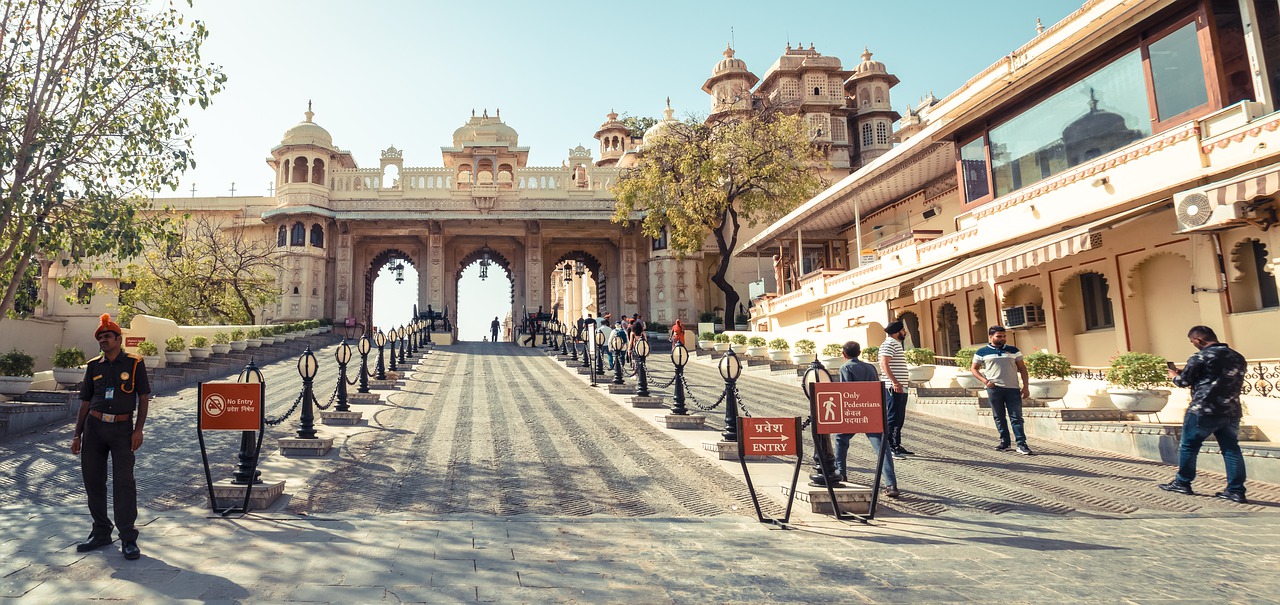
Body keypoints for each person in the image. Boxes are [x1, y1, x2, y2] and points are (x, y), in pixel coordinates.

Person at [72, 314, 151, 560]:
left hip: (122, 429)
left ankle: (128, 537)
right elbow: (85, 401)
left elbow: (143, 398)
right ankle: (101, 531)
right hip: (94, 427)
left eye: (107, 336)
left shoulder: (135, 363)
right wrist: (77, 434)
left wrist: (138, 430)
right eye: (100, 337)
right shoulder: (94, 365)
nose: (103, 340)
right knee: (93, 481)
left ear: (119, 338)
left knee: (124, 483)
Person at [1160, 325, 1249, 503]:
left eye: (1192, 341)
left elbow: (1183, 382)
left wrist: (1173, 375)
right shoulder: (1237, 357)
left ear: (1199, 340)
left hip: (1203, 410)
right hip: (1230, 411)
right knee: (1231, 450)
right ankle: (1236, 490)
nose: (1193, 344)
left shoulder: (1200, 357)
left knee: (1189, 446)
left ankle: (1183, 483)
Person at [834, 341, 900, 498]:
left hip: (854, 413)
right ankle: (891, 484)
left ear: (844, 354)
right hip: (871, 410)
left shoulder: (845, 367)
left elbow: (847, 391)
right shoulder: (870, 367)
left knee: (840, 440)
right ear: (860, 352)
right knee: (882, 449)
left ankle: (840, 474)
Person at [971, 326, 1033, 455]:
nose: (1002, 339)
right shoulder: (982, 352)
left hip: (1013, 389)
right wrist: (986, 382)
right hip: (994, 389)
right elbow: (974, 369)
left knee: (1016, 417)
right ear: (991, 337)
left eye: (1004, 336)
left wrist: (1026, 386)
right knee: (999, 416)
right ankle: (1005, 442)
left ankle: (1021, 444)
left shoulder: (1013, 350)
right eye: (999, 336)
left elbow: (1022, 369)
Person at [878, 321, 913, 458]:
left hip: (900, 386)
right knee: (893, 417)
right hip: (894, 387)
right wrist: (895, 382)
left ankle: (896, 443)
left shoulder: (895, 344)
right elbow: (884, 364)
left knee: (899, 417)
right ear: (896, 332)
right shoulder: (889, 344)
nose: (904, 332)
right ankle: (890, 447)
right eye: (903, 330)